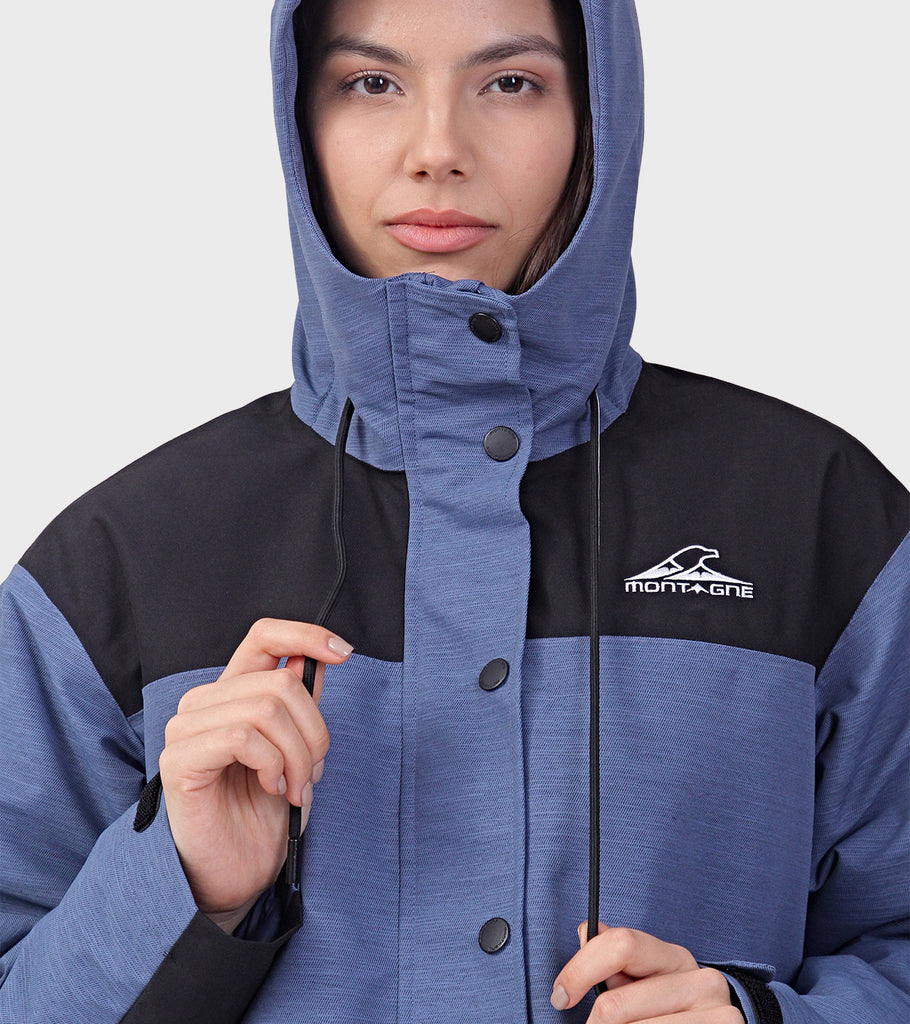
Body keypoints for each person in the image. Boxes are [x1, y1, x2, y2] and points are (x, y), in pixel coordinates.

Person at [0, 1, 907, 1023]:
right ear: (301, 121)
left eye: (510, 83)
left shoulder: (821, 517)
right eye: (371, 83)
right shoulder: (119, 562)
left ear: (599, 114)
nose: (438, 149)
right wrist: (185, 884)